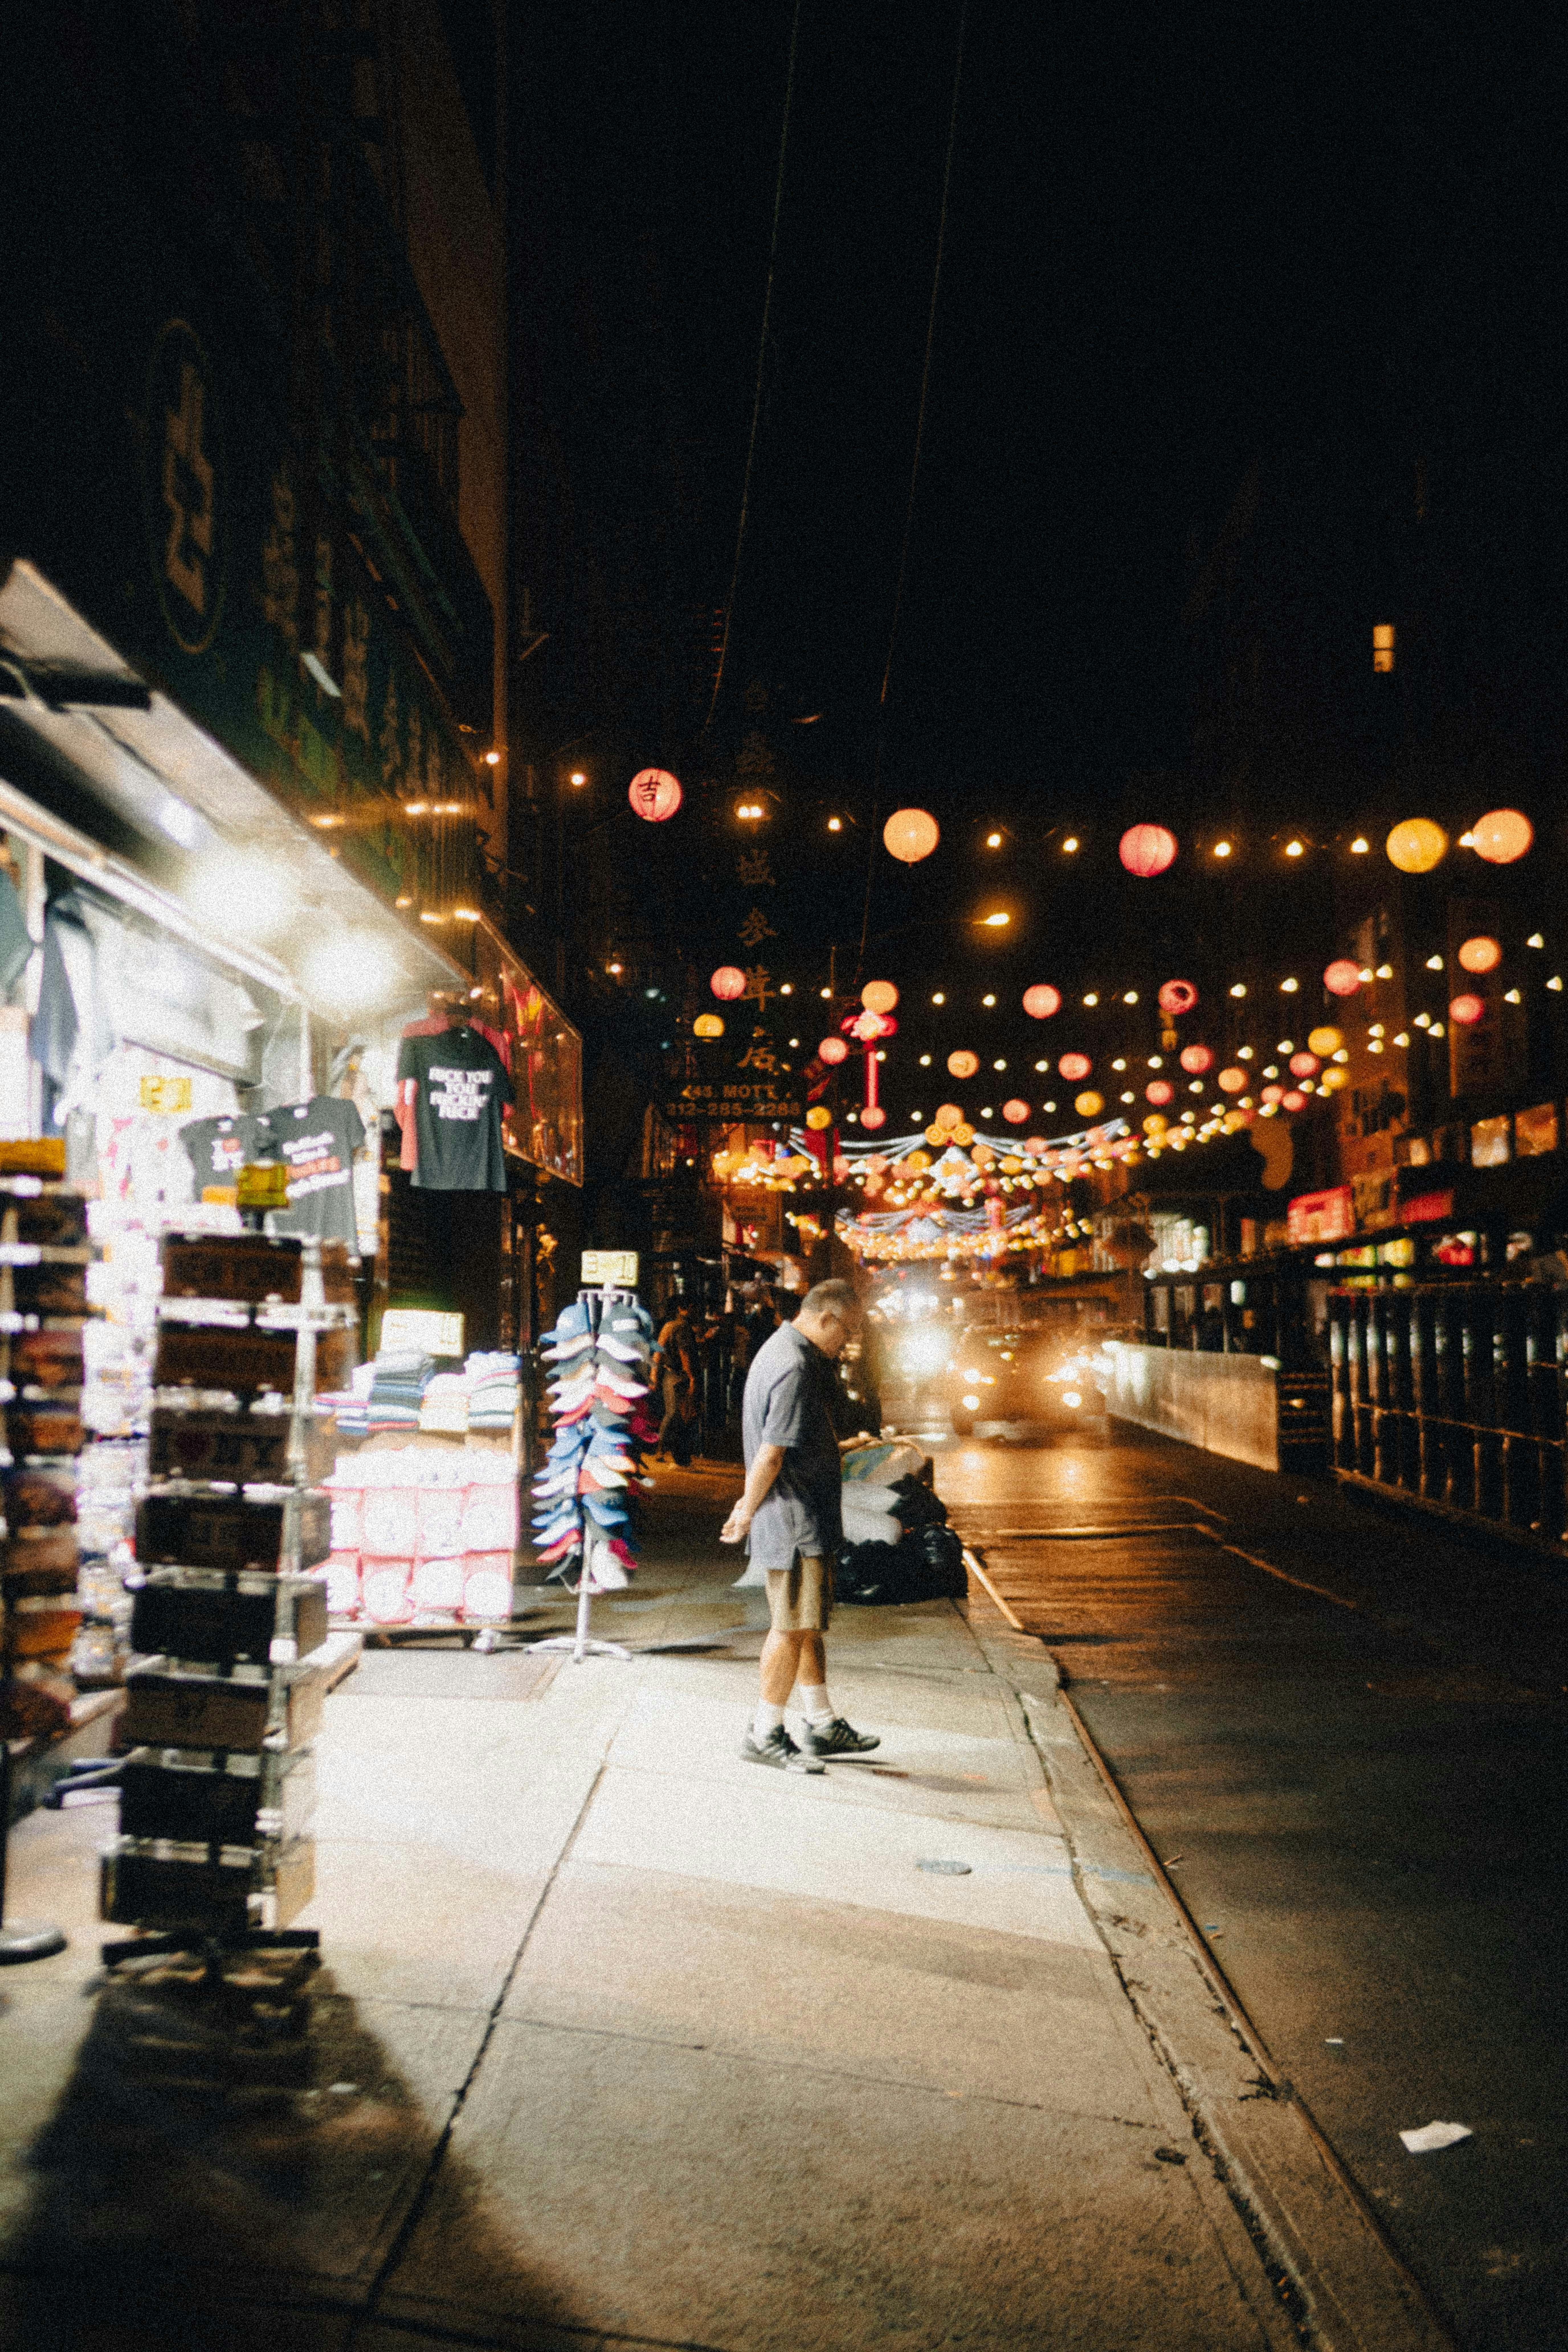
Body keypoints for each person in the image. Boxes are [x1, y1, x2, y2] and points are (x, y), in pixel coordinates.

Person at [721, 1277, 881, 1770]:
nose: (846, 1342)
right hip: (793, 1519)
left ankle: (821, 1721)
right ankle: (765, 1730)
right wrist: (744, 1510)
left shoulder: (783, 1351)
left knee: (805, 1625)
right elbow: (772, 1453)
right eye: (846, 1331)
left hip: (797, 1514)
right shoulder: (793, 1366)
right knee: (790, 1629)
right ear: (825, 1318)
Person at [652, 1300, 698, 1462]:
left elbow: (658, 1351)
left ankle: (667, 1451)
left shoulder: (668, 1326)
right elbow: (684, 1353)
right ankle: (664, 1451)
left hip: (668, 1376)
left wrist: (654, 1374)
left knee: (673, 1414)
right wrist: (692, 1377)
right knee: (677, 1416)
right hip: (679, 1376)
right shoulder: (682, 1328)